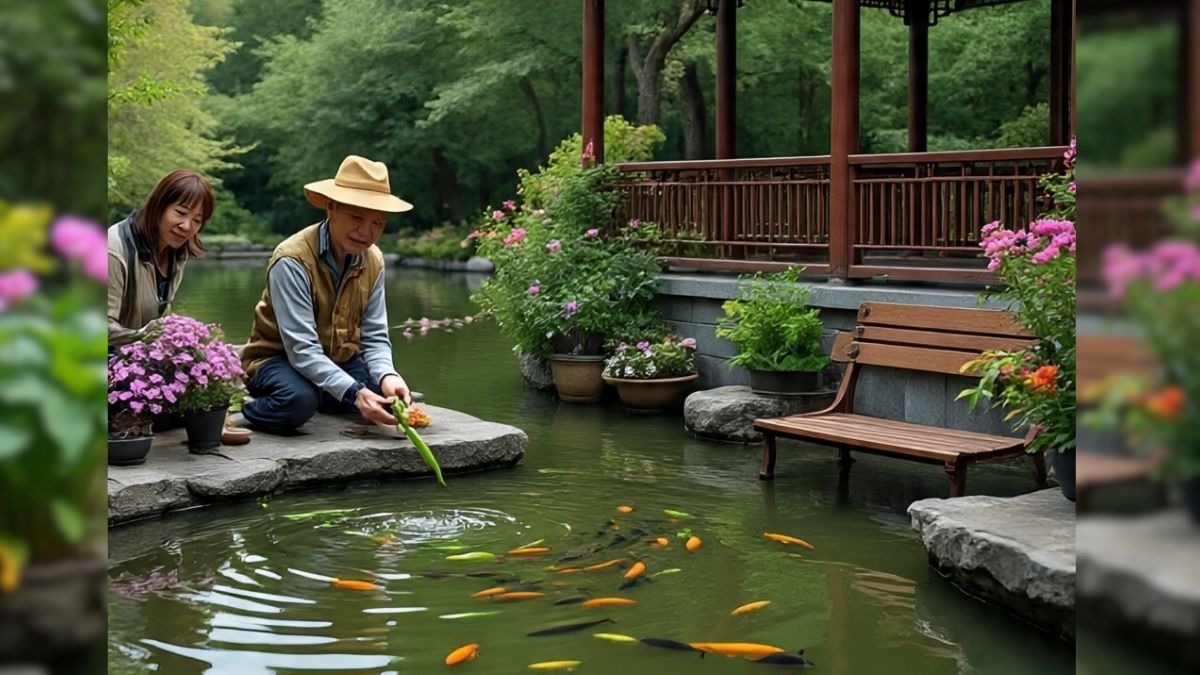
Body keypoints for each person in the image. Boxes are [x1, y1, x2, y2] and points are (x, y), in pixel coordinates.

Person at [238, 155, 413, 432]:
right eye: (357, 217)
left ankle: (328, 393)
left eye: (378, 223)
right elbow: (302, 350)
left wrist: (387, 375)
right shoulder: (292, 260)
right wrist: (355, 393)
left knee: (387, 397)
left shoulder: (374, 260)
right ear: (331, 208)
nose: (366, 232)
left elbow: (375, 337)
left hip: (340, 359)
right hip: (277, 359)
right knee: (297, 401)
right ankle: (237, 409)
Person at [107, 169, 214, 347]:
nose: (187, 226)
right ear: (158, 207)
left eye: (197, 220)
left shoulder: (177, 252)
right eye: (180, 213)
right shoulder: (113, 250)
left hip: (137, 357)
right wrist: (152, 334)